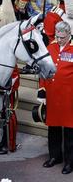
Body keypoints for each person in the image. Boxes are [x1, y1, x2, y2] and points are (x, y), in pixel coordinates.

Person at [41, 20, 73, 173]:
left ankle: (70, 162)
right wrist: (42, 90)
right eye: (57, 36)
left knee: (69, 130)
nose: (59, 39)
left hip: (69, 96)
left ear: (69, 34)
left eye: (62, 37)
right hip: (52, 94)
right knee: (53, 127)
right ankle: (55, 156)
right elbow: (43, 69)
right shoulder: (50, 47)